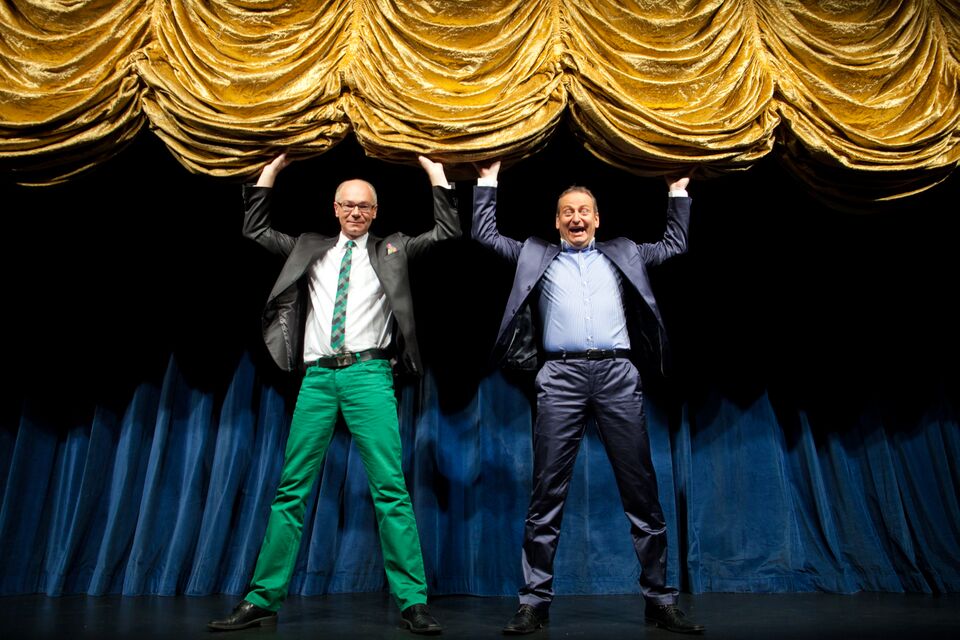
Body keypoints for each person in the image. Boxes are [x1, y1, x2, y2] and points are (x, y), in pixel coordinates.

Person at [208, 154, 460, 634]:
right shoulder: (310, 247)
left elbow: (446, 232)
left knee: (390, 489)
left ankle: (412, 601)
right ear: (335, 208)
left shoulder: (392, 249)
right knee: (291, 489)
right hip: (318, 379)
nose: (355, 212)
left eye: (364, 206)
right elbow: (255, 229)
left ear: (375, 212)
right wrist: (272, 170)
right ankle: (262, 598)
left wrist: (434, 173)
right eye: (348, 205)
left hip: (369, 375)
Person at [471, 160, 704, 635]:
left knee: (641, 492)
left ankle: (660, 600)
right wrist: (487, 180)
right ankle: (534, 602)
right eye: (567, 212)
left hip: (617, 373)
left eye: (584, 211)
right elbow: (485, 235)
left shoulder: (624, 253)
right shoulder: (536, 255)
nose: (576, 217)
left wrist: (678, 191)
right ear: (557, 221)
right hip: (560, 376)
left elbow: (674, 244)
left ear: (597, 219)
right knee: (546, 494)